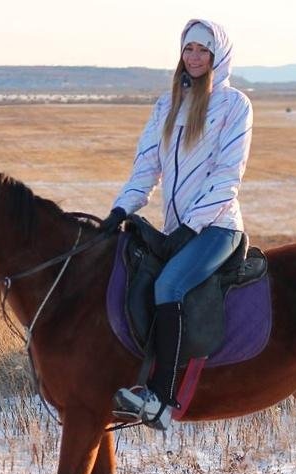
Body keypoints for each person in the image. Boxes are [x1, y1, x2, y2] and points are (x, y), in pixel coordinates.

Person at [102, 18, 253, 430]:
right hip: (176, 228)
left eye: (203, 50)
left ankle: (162, 400)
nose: (195, 58)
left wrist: (192, 227)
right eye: (189, 50)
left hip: (218, 226)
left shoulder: (235, 105)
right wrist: (119, 210)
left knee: (170, 285)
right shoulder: (165, 106)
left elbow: (228, 176)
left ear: (218, 55)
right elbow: (145, 168)